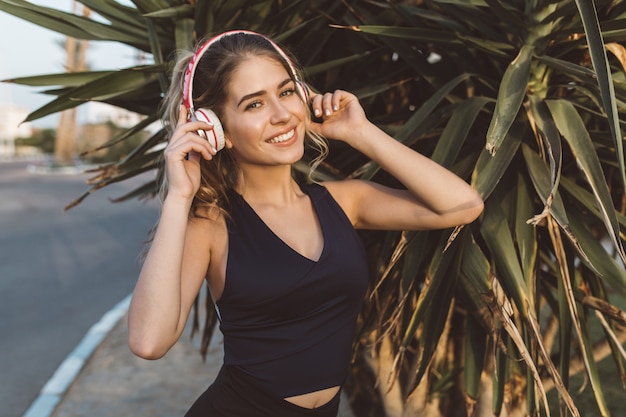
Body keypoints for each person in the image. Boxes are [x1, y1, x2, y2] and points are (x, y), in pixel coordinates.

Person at [127, 30, 484, 417]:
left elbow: (463, 205)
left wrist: (359, 132)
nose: (281, 115)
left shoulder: (346, 201)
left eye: (285, 92)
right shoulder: (210, 224)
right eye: (253, 105)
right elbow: (149, 342)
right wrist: (179, 198)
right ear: (217, 129)